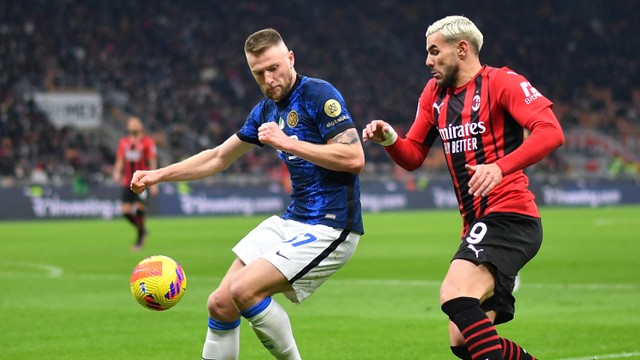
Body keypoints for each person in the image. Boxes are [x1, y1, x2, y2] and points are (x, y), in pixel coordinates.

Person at [130, 28, 364, 360]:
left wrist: (286, 142)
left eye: (274, 68)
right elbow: (218, 157)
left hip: (331, 225)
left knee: (243, 290)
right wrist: (157, 175)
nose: (269, 79)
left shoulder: (319, 95)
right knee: (221, 302)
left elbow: (354, 159)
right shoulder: (266, 110)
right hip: (292, 220)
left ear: (290, 58)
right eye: (259, 73)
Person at [362, 15, 564, 360]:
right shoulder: (433, 94)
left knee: (454, 293)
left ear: (461, 49)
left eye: (434, 51)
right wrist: (391, 139)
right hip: (475, 223)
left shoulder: (502, 82)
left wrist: (500, 166)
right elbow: (413, 155)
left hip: (510, 215)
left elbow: (551, 132)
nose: (428, 61)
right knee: (462, 341)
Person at [112, 116, 158, 251]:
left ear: (140, 126)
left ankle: (139, 241)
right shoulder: (124, 142)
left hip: (143, 181)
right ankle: (142, 229)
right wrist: (117, 171)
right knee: (125, 211)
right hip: (127, 181)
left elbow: (152, 161)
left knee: (139, 209)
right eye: (130, 123)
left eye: (135, 123)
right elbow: (120, 159)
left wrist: (155, 182)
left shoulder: (148, 142)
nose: (133, 125)